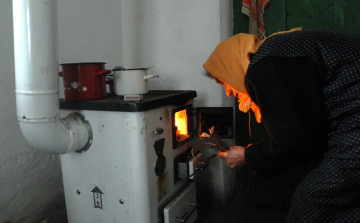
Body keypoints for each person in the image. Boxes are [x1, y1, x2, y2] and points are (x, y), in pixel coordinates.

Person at [203, 28, 360, 222]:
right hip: (350, 119)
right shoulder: (275, 53)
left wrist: (247, 156)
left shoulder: (266, 66)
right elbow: (307, 130)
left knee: (310, 201)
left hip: (354, 126)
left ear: (231, 64)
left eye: (223, 81)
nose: (228, 92)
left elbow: (294, 143)